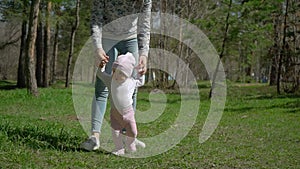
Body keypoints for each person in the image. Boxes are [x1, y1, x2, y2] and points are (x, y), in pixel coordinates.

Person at [80, 0, 151, 151]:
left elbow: (144, 23)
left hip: (131, 37)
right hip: (107, 35)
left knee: (131, 87)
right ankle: (94, 137)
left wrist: (144, 53)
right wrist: (98, 47)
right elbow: (96, 19)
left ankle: (128, 137)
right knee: (102, 87)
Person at [97, 52, 144, 155]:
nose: (116, 75)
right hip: (115, 114)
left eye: (120, 73)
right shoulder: (110, 80)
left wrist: (141, 73)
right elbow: (100, 74)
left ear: (127, 74)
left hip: (128, 114)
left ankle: (130, 144)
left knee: (133, 132)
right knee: (115, 132)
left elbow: (141, 82)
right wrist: (102, 66)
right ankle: (119, 148)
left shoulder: (131, 82)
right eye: (114, 71)